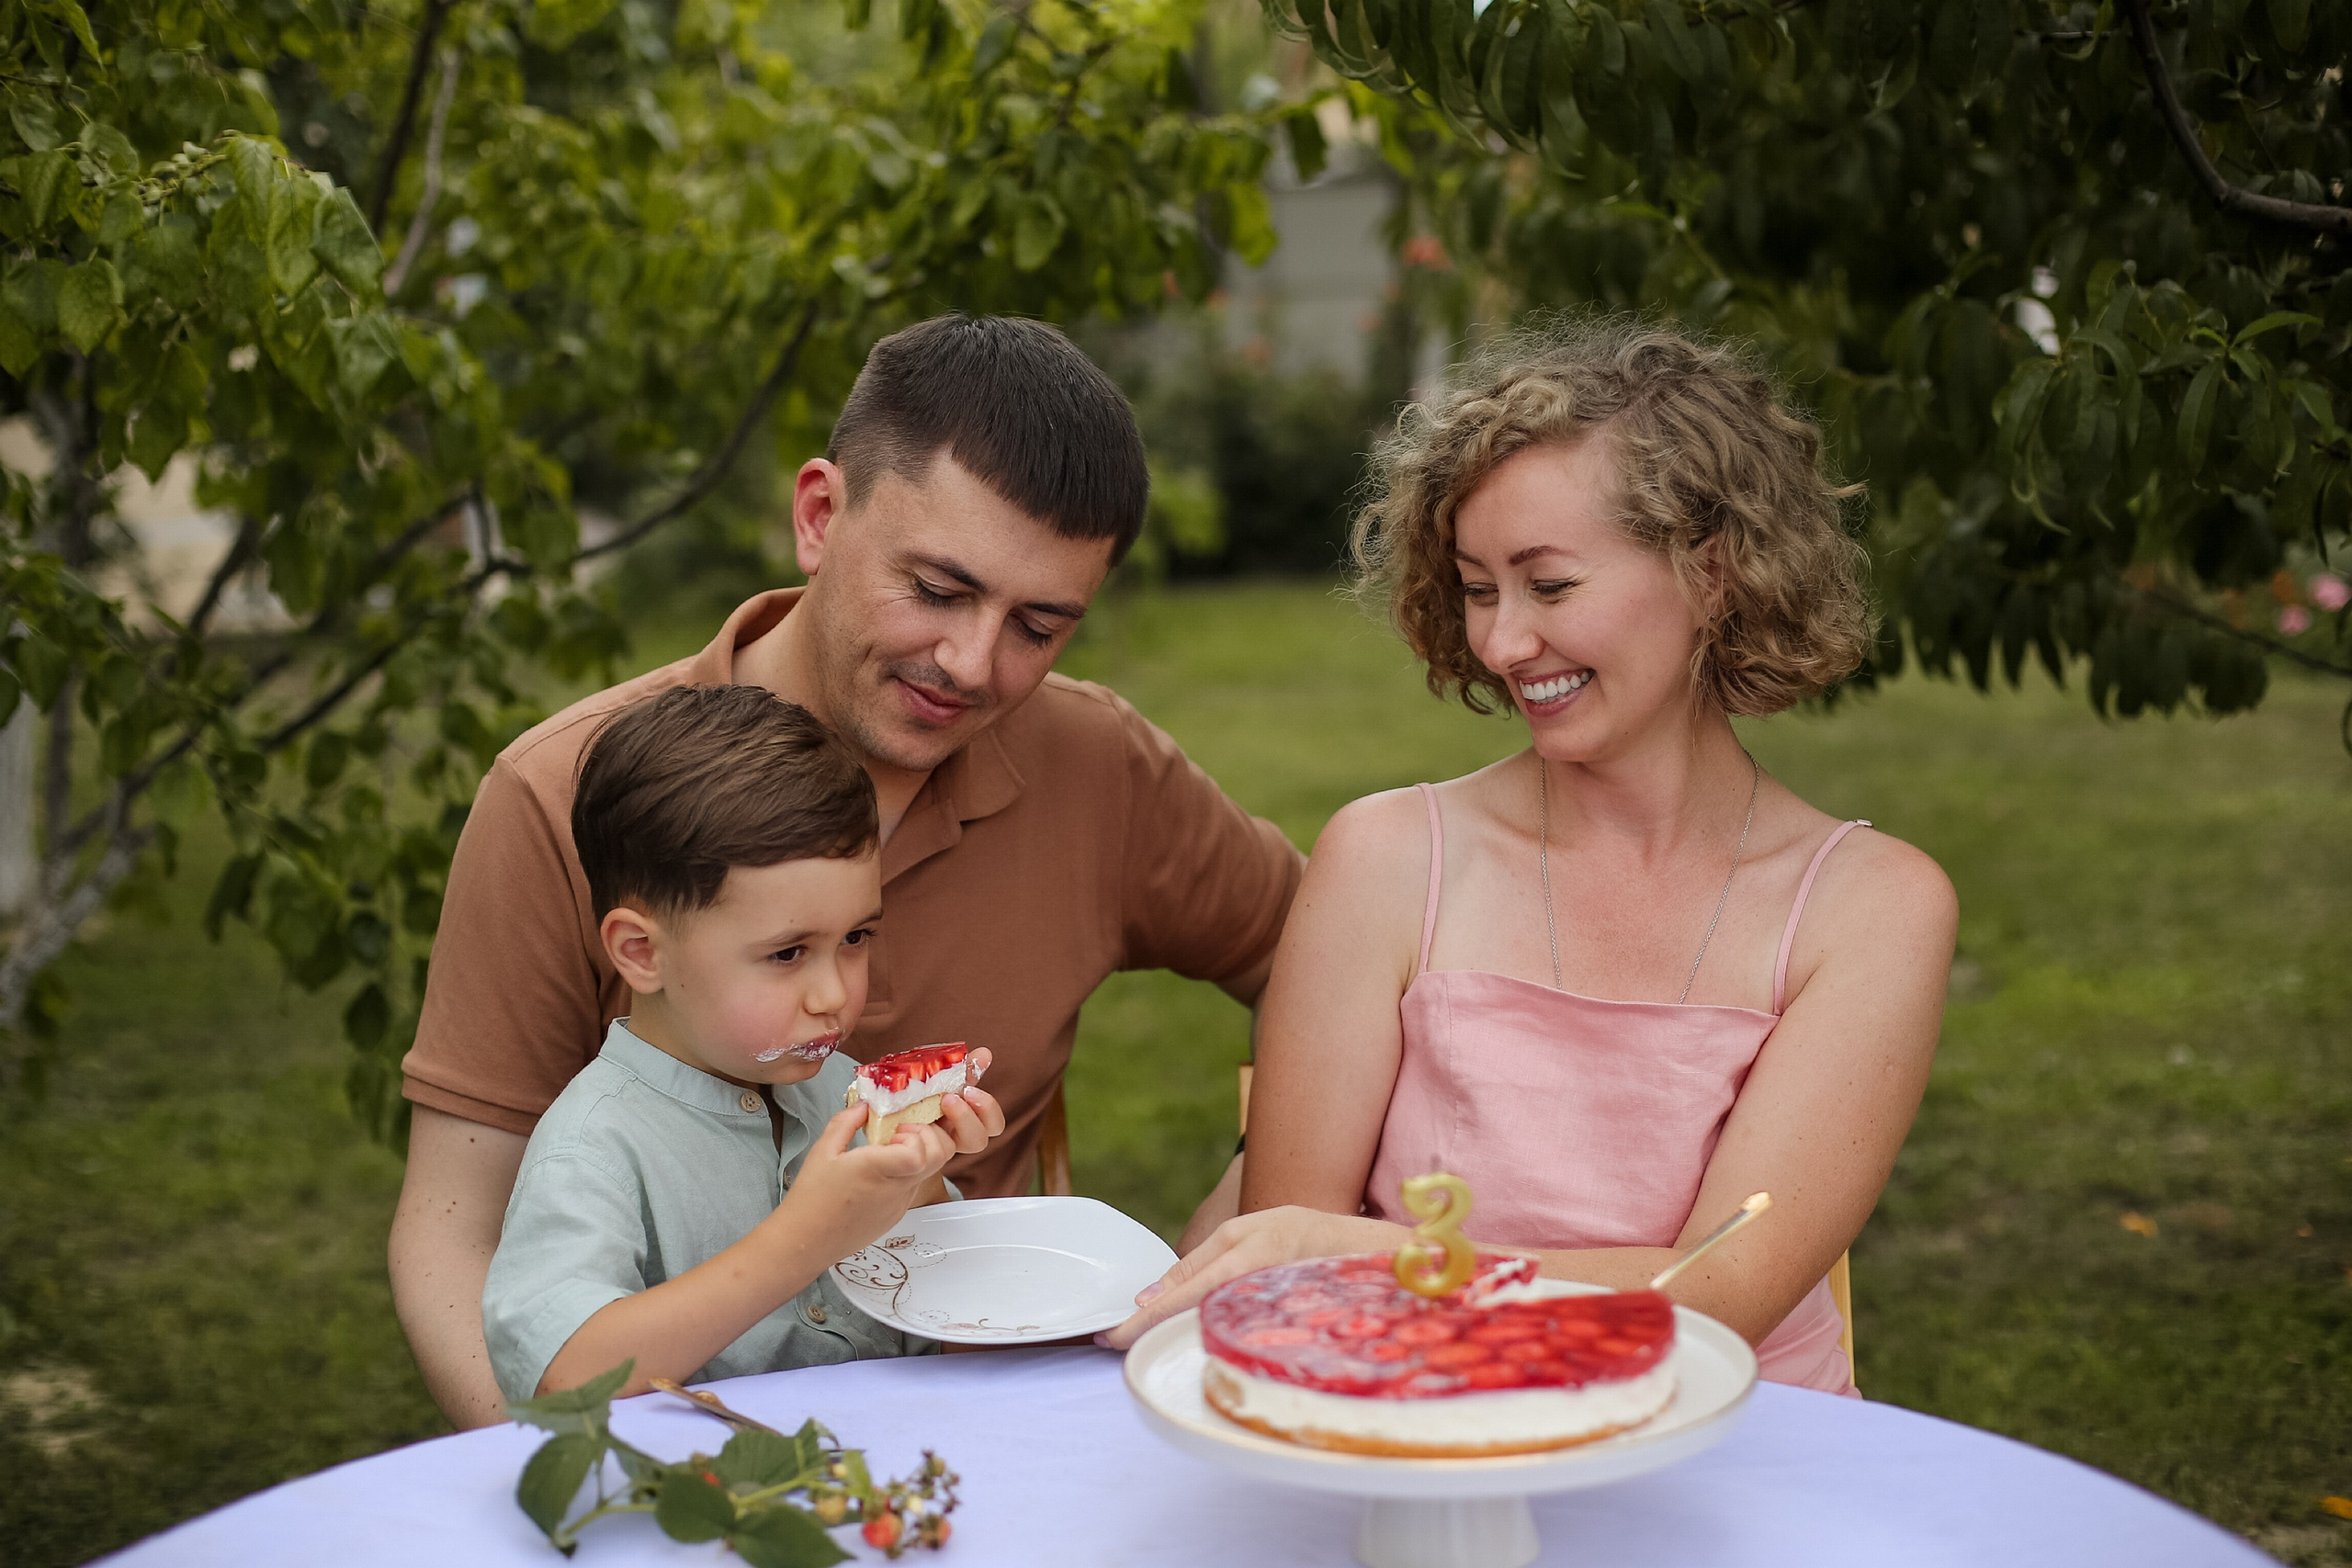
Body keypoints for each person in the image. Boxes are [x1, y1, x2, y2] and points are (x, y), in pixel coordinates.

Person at [395, 316, 1302, 1427]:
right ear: (820, 515)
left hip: (992, 1427)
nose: (972, 665)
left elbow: (1341, 956)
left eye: (1039, 626)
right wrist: (588, 1501)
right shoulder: (560, 793)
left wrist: (1256, 1198)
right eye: (934, 589)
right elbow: (455, 1231)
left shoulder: (1098, 764)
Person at [1106, 321, 1958, 1395]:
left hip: (1734, 1455)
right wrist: (1321, 1254)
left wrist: (1367, 1257)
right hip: (1421, 1437)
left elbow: (1715, 1303)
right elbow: (1286, 1266)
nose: (1503, 644)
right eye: (1475, 589)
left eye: (1549, 587)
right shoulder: (1387, 860)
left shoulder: (1868, 910)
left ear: (1714, 574)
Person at [483, 685, 1007, 1402]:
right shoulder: (596, 1147)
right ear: (641, 951)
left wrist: (922, 1176)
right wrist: (807, 1237)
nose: (834, 994)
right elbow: (562, 1375)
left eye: (855, 938)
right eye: (789, 953)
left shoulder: (841, 1090)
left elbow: (932, 1308)